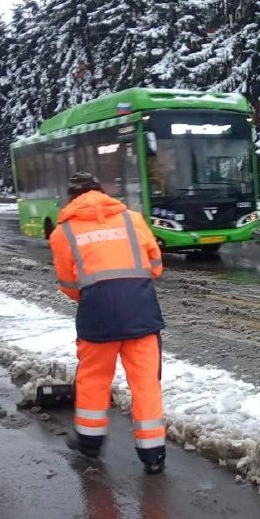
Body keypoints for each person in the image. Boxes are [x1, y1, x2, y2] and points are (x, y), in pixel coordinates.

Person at [49, 171, 167, 475]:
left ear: (71, 197)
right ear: (102, 192)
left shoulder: (63, 232)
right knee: (145, 383)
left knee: (94, 379)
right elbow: (155, 265)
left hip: (97, 315)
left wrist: (94, 293)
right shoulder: (133, 219)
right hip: (141, 311)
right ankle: (153, 455)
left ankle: (89, 444)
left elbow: (67, 283)